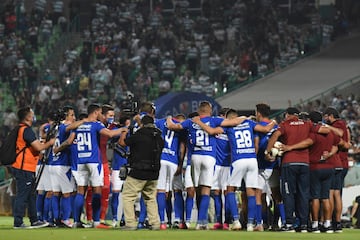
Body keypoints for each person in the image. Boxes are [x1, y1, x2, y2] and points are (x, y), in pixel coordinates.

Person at [193, 109, 276, 231]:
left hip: (238, 160)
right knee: (251, 192)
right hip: (252, 160)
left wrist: (198, 122)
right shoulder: (249, 123)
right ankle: (250, 224)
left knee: (230, 189)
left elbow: (211, 131)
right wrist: (273, 122)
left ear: (229, 119)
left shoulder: (228, 128)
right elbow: (266, 130)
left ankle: (236, 221)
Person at [265, 107, 329, 232]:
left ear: (288, 115)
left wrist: (268, 151)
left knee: (288, 194)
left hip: (289, 162)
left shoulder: (285, 125)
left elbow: (275, 135)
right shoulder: (307, 124)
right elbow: (324, 130)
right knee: (303, 194)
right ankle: (304, 224)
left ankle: (289, 223)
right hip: (305, 163)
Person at [67, 103, 124, 228]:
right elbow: (109, 134)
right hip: (93, 160)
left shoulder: (79, 125)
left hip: (80, 160)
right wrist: (124, 129)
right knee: (97, 189)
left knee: (81, 191)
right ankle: (97, 222)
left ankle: (77, 221)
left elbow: (68, 130)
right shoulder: (96, 125)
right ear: (96, 112)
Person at [12, 106, 55, 229]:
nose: (33, 115)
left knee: (31, 195)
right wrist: (50, 143)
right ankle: (18, 222)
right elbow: (39, 147)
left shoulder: (21, 129)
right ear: (28, 117)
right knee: (23, 195)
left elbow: (33, 147)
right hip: (24, 167)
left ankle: (34, 220)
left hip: (27, 166)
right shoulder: (26, 130)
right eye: (32, 113)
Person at [119, 115, 164, 230]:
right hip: (154, 172)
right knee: (150, 198)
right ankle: (155, 223)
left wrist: (125, 130)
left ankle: (130, 223)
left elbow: (123, 143)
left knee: (128, 196)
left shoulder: (139, 134)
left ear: (142, 124)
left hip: (139, 171)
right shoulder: (158, 136)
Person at [155, 114, 186, 230]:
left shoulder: (161, 123)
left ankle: (162, 221)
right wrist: (180, 164)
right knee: (177, 190)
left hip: (161, 159)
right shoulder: (181, 127)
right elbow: (182, 147)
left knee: (161, 191)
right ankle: (178, 219)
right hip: (173, 161)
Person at [51, 106, 77, 227]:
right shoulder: (67, 128)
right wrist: (58, 149)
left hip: (53, 164)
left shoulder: (56, 127)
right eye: (72, 115)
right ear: (66, 116)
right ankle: (65, 219)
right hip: (63, 164)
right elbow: (68, 142)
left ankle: (55, 219)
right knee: (67, 193)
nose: (74, 117)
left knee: (56, 193)